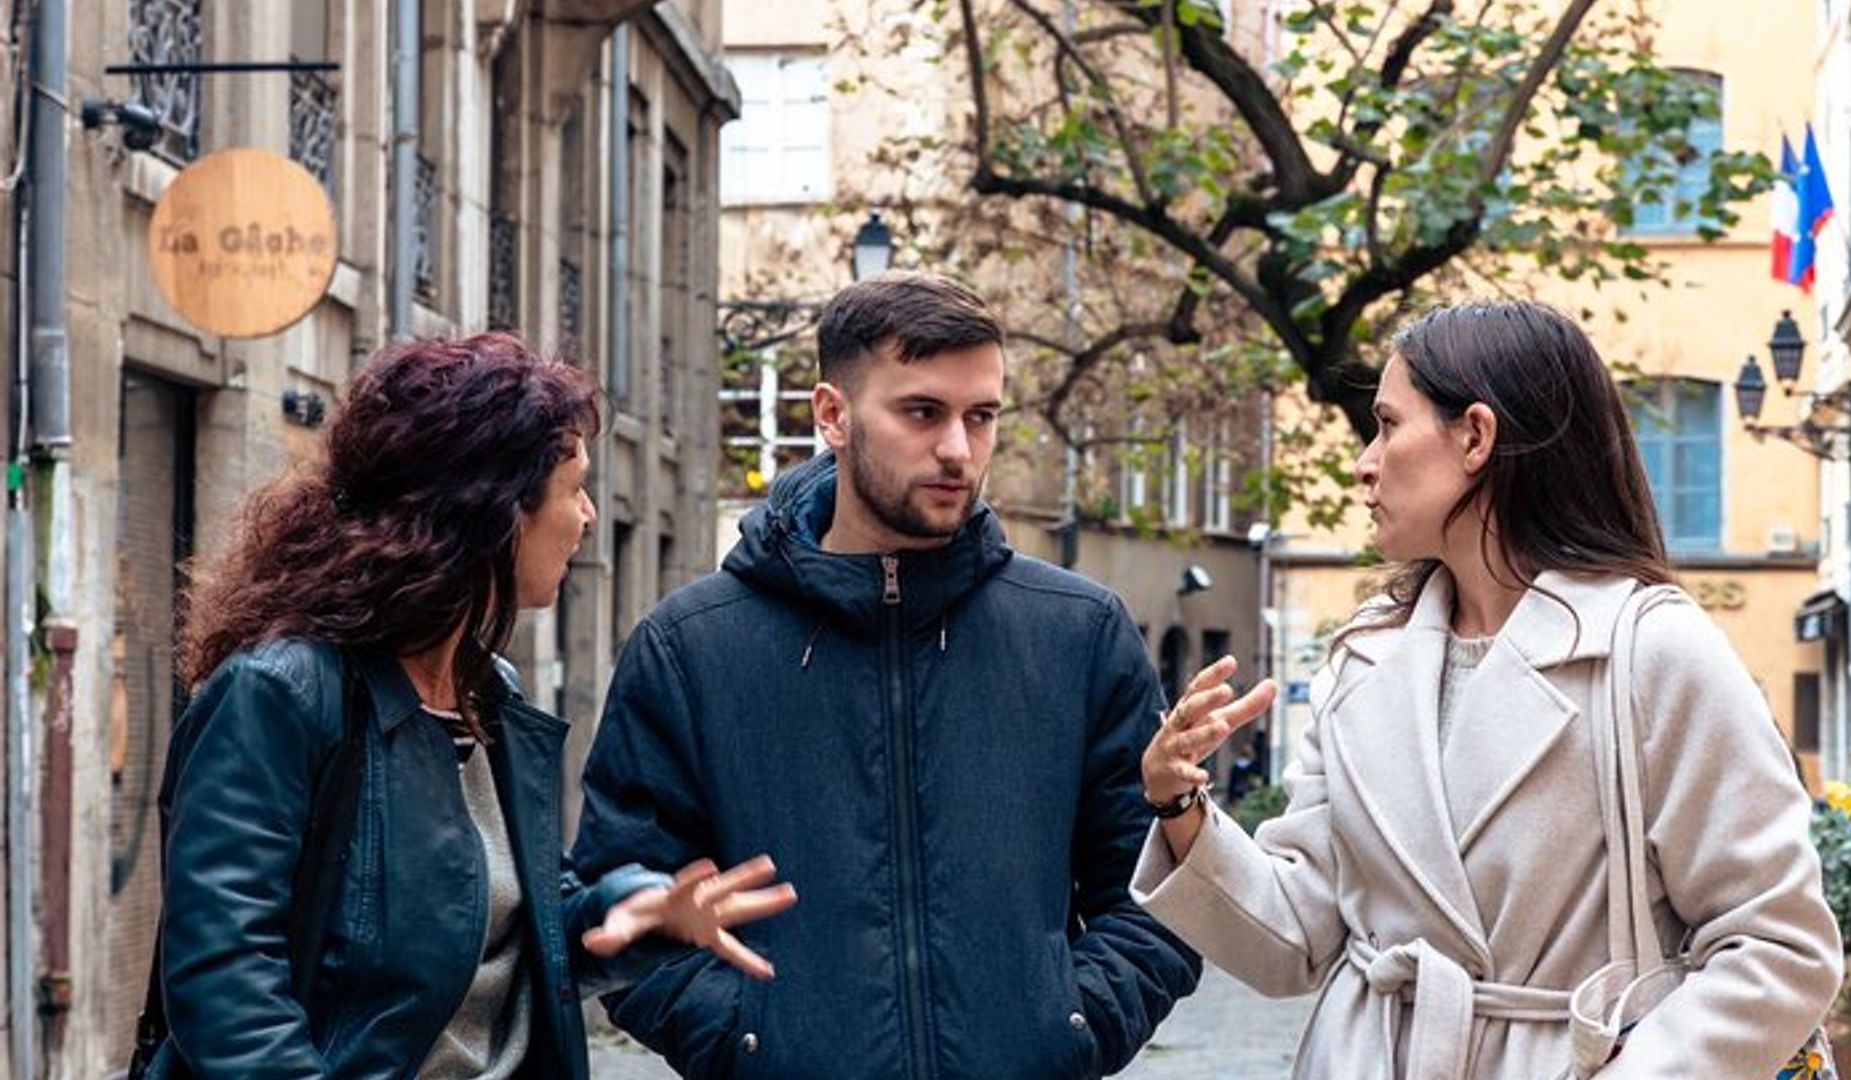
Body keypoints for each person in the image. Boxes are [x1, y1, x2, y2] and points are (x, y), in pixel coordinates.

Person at [1132, 300, 1845, 1077]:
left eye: (1388, 425)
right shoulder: (1366, 658)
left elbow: (1780, 947)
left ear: (1475, 436)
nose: (1365, 462)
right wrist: (1179, 805)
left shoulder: (1652, 651)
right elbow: (1295, 942)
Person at [571, 271, 1204, 1078]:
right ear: (832, 415)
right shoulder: (691, 647)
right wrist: (754, 1043)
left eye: (982, 417)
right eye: (921, 412)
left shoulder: (1078, 634)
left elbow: (1155, 894)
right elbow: (621, 906)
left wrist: (1067, 1027)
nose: (957, 450)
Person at [158, 333, 796, 1078]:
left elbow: (515, 922)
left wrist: (635, 909)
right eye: (573, 488)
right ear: (494, 511)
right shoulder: (280, 693)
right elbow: (225, 990)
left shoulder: (489, 696)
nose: (588, 516)